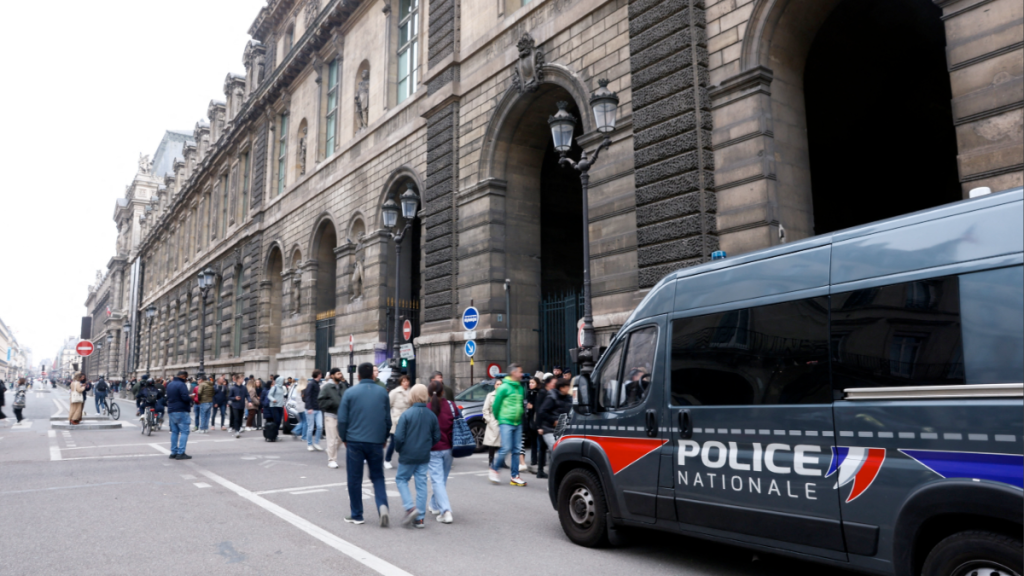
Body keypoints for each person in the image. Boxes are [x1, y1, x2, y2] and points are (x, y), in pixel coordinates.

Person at [337, 362, 391, 527]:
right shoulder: (382, 392)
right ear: (373, 375)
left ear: (358, 376)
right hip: (375, 441)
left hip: (354, 441)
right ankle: (382, 506)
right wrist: (384, 438)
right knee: (377, 476)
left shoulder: (350, 392)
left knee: (354, 479)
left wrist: (344, 438)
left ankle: (357, 514)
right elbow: (387, 420)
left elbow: (342, 419)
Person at [392, 383, 439, 528]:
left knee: (401, 479)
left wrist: (399, 449)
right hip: (423, 454)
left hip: (408, 454)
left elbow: (399, 437)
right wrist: (427, 445)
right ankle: (420, 518)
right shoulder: (431, 415)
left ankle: (409, 507)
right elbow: (437, 436)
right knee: (421, 484)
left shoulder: (406, 414)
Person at [489, 363, 527, 486]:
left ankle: (515, 476)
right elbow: (496, 405)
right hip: (505, 421)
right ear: (513, 373)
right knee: (506, 448)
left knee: (516, 449)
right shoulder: (504, 387)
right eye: (519, 372)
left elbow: (521, 404)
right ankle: (494, 469)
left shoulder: (520, 388)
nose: (521, 374)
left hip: (517, 422)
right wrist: (499, 419)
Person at [427, 379, 455, 523]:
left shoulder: (427, 408)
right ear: (443, 392)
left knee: (438, 481)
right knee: (441, 480)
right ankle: (433, 504)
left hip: (433, 449)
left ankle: (446, 511)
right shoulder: (451, 406)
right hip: (449, 448)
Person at [536, 378, 572, 478]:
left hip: (562, 429)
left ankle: (556, 476)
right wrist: (553, 421)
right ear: (561, 388)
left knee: (558, 453)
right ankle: (553, 476)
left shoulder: (568, 398)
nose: (569, 388)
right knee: (556, 450)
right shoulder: (551, 397)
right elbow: (542, 411)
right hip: (549, 429)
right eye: (567, 387)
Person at [318, 368, 346, 468]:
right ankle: (332, 460)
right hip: (330, 415)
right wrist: (333, 403)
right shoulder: (326, 387)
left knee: (341, 438)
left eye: (341, 373)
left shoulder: (343, 386)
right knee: (331, 439)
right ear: (332, 375)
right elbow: (321, 401)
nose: (340, 375)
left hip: (341, 416)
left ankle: (330, 450)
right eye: (338, 374)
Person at [385, 374, 412, 470]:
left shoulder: (411, 392)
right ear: (401, 382)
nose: (406, 383)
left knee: (406, 442)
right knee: (394, 442)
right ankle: (387, 460)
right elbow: (388, 405)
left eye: (407, 381)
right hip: (396, 419)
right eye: (404, 381)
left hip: (407, 420)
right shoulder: (394, 392)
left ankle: (404, 460)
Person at [166, 370, 193, 460]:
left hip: (171, 409)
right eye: (186, 378)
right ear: (183, 377)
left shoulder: (170, 384)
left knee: (174, 432)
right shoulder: (182, 385)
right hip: (181, 410)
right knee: (184, 432)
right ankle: (181, 453)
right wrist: (190, 397)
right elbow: (185, 397)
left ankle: (173, 452)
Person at [482, 378, 502, 467]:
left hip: (503, 420)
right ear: (495, 386)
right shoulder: (490, 395)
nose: (499, 386)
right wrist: (489, 420)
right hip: (493, 421)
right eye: (497, 384)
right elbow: (485, 409)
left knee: (503, 442)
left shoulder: (505, 396)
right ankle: (491, 461)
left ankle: (502, 462)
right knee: (492, 443)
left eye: (501, 384)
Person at [303, 370, 324, 451]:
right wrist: (309, 407)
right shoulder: (311, 384)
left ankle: (316, 443)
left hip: (317, 408)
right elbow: (307, 396)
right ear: (318, 375)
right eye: (321, 374)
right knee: (310, 427)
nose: (321, 375)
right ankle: (309, 444)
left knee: (320, 426)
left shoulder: (316, 384)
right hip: (311, 409)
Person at [228, 373, 250, 438]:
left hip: (241, 405)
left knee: (240, 418)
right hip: (235, 405)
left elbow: (247, 395)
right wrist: (235, 398)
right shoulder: (233, 388)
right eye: (241, 378)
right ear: (237, 379)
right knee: (236, 418)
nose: (243, 380)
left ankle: (239, 428)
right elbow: (229, 397)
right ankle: (236, 431)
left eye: (243, 378)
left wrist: (249, 401)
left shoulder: (244, 388)